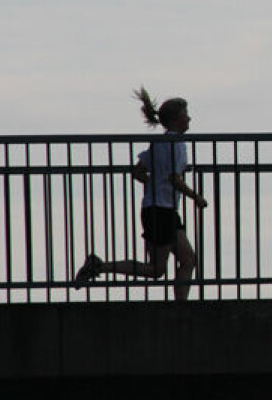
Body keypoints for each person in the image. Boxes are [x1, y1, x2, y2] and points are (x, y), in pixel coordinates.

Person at [75, 87, 208, 300]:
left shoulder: (159, 143)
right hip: (162, 211)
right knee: (157, 269)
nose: (189, 118)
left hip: (159, 209)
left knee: (188, 258)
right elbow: (175, 179)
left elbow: (137, 171)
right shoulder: (178, 144)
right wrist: (197, 198)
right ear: (176, 120)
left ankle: (182, 305)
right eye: (185, 115)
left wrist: (152, 184)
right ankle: (100, 267)